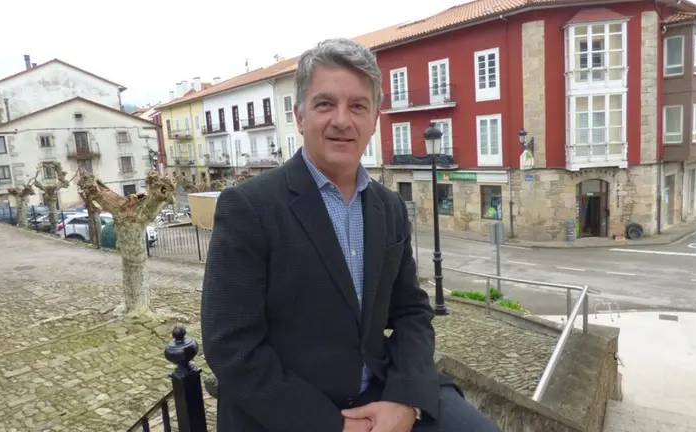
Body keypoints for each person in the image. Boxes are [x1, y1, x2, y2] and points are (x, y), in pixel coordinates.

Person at [200, 38, 503, 432]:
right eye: (325, 104)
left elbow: (412, 312)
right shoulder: (249, 207)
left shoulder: (388, 207)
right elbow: (230, 346)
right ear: (300, 117)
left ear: (374, 120)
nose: (342, 120)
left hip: (380, 390)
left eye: (358, 106)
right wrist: (332, 426)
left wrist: (405, 399)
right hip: (293, 411)